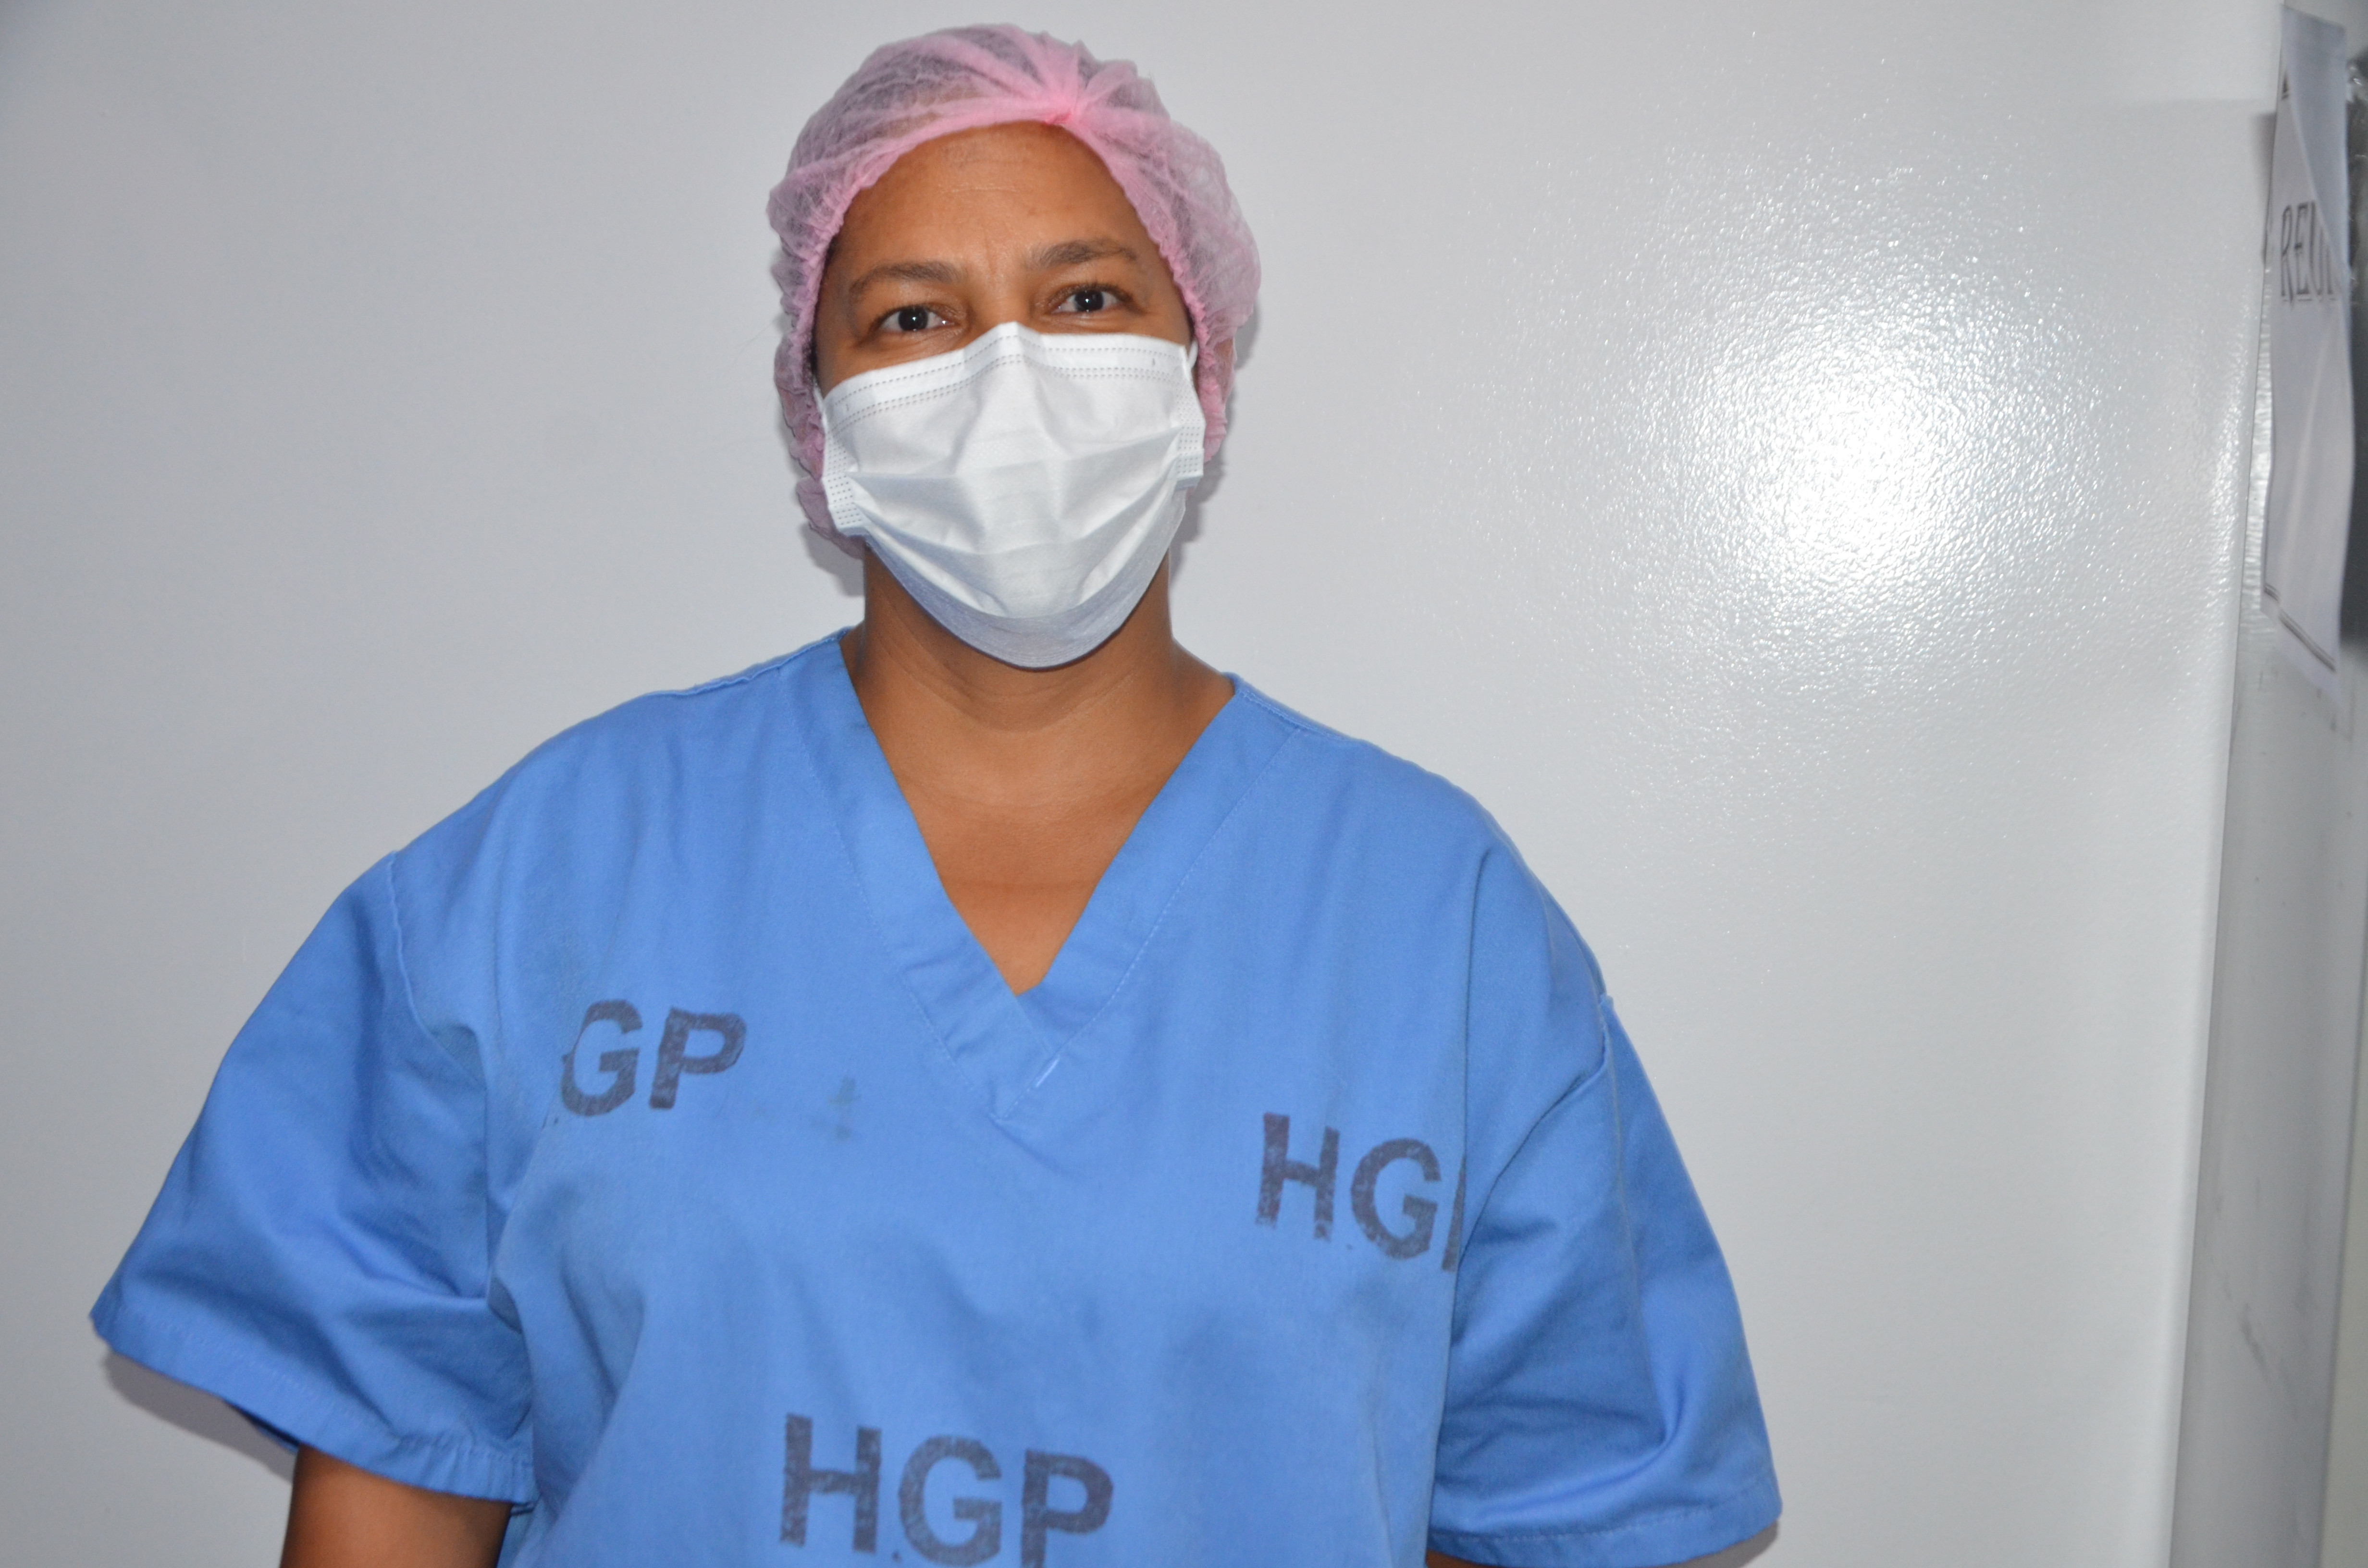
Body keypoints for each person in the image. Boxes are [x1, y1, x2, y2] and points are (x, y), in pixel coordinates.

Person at [93, 25, 1779, 1568]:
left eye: (1087, 298)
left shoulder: (1430, 924)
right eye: (915, 316)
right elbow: (398, 1486)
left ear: (1199, 370)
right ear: (820, 412)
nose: (1008, 375)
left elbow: (1561, 1512)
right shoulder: (561, 873)